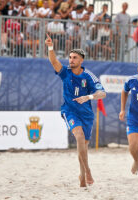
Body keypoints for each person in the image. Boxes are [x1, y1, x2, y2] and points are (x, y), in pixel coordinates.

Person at [45, 34, 106, 187]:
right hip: (69, 111)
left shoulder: (89, 76)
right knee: (79, 137)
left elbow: (102, 93)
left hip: (86, 114)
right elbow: (53, 61)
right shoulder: (66, 72)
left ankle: (81, 175)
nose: (71, 60)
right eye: (70, 57)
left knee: (83, 146)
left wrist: (88, 97)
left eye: (74, 58)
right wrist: (50, 47)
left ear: (81, 60)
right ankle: (88, 172)